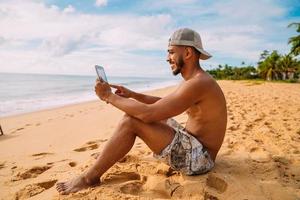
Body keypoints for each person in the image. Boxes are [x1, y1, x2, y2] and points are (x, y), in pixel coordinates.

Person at [56, 28, 227, 195]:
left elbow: (148, 114)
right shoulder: (196, 80)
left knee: (132, 121)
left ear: (188, 53)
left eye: (171, 52)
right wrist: (133, 95)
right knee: (145, 116)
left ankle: (88, 179)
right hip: (195, 145)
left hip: (201, 159)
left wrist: (108, 96)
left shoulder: (198, 83)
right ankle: (111, 153)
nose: (168, 58)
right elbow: (164, 105)